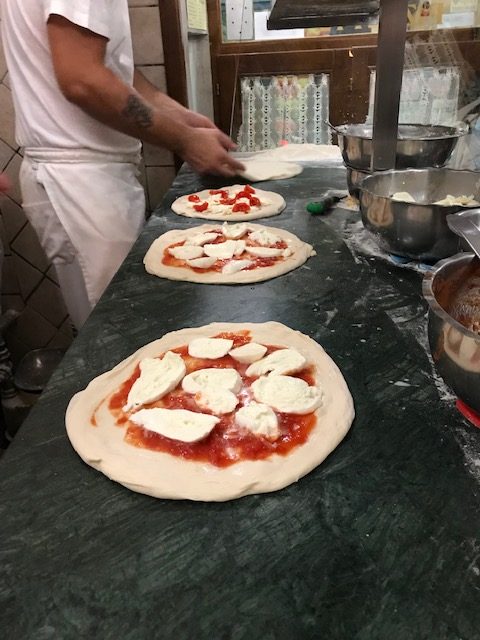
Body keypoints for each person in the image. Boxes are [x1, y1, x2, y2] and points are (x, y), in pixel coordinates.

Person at [1, 1, 244, 329]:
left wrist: (179, 117)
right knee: (118, 335)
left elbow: (110, 65)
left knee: (122, 330)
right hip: (79, 182)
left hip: (84, 176)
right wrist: (185, 141)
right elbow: (82, 79)